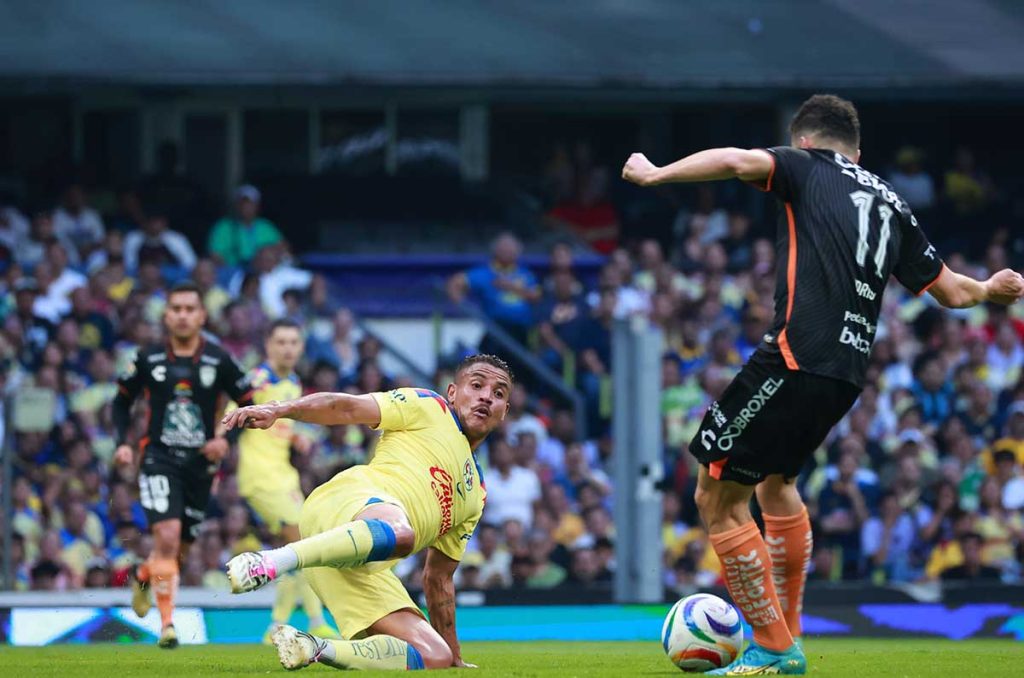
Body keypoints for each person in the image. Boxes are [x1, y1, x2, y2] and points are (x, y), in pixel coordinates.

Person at [622, 93, 1024, 675]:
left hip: (793, 356)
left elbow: (736, 162)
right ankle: (788, 633)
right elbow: (955, 293)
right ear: (858, 152)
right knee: (776, 485)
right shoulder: (893, 204)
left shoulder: (804, 165)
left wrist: (656, 174)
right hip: (846, 375)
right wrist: (991, 288)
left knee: (716, 494)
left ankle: (775, 647)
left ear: (803, 140)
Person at [221, 354, 513, 671]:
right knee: (402, 533)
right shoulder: (430, 406)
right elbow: (345, 407)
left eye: (498, 393)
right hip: (343, 503)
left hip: (359, 565)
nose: (486, 396)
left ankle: (313, 647)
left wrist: (454, 655)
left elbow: (439, 578)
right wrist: (280, 410)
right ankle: (269, 561)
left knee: (433, 657)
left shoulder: (476, 494)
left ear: (504, 412)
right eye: (477, 385)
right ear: (453, 392)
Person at [112, 280, 255, 648]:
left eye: (190, 309)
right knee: (168, 537)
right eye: (176, 308)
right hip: (159, 459)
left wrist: (226, 439)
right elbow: (120, 401)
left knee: (178, 550)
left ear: (201, 315)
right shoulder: (148, 358)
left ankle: (144, 575)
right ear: (166, 315)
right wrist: (122, 443)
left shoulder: (218, 359)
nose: (183, 315)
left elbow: (249, 401)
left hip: (200, 467)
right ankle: (167, 626)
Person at [233, 319, 339, 643]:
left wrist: (295, 438)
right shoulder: (256, 380)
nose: (288, 348)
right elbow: (228, 412)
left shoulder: (291, 382)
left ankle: (284, 625)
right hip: (261, 476)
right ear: (268, 345)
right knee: (302, 544)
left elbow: (277, 424)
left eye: (294, 342)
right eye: (281, 342)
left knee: (301, 547)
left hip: (283, 474)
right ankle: (307, 621)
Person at [207, 184, 284, 268]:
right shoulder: (224, 226)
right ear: (236, 205)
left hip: (263, 273)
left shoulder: (266, 227)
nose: (246, 207)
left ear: (257, 206)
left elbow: (282, 249)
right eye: (242, 203)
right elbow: (214, 254)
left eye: (250, 204)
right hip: (232, 272)